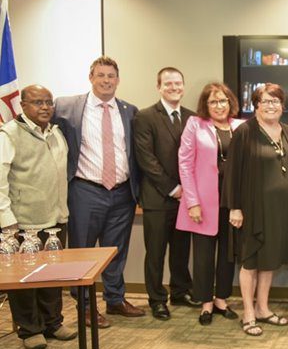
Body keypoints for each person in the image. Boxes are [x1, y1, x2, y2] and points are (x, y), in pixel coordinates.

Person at [54, 56, 143, 328]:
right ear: (91, 77)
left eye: (111, 76)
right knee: (81, 253)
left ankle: (115, 300)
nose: (106, 80)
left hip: (121, 193)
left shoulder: (129, 110)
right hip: (85, 191)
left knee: (116, 251)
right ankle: (85, 307)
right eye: (101, 75)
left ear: (118, 80)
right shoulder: (66, 107)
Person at [0, 84, 74, 349]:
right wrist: (7, 219)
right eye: (37, 102)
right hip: (22, 221)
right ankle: (30, 329)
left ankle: (53, 323)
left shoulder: (55, 132)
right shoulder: (9, 134)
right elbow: (0, 182)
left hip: (55, 218)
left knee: (53, 275)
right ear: (22, 105)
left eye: (48, 102)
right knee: (25, 279)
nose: (45, 107)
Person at [227, 84, 288, 336]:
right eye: (265, 101)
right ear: (256, 105)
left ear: (283, 105)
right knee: (251, 260)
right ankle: (248, 312)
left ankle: (263, 308)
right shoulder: (244, 132)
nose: (271, 106)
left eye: (276, 101)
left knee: (269, 260)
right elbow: (232, 172)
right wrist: (235, 207)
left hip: (281, 209)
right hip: (253, 208)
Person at [134, 67, 199, 320]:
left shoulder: (193, 118)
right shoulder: (145, 116)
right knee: (156, 253)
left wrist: (189, 191)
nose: (174, 88)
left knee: (182, 250)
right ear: (159, 87)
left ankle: (181, 291)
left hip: (186, 199)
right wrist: (173, 188)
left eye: (178, 83)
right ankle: (157, 299)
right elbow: (146, 159)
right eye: (168, 84)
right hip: (158, 197)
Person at [176, 83, 244, 325]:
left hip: (232, 201)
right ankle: (205, 302)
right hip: (203, 203)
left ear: (230, 103)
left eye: (223, 100)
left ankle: (221, 299)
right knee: (203, 255)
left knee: (228, 254)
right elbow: (184, 164)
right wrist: (191, 202)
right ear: (206, 105)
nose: (219, 106)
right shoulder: (195, 125)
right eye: (213, 102)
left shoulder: (240, 126)